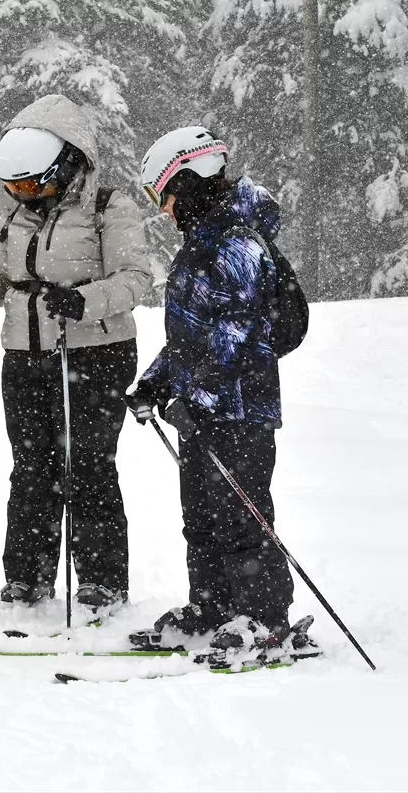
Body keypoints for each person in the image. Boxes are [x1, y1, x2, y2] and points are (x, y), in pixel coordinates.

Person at [0, 94, 152, 610]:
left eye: (32, 184)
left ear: (66, 163)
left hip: (95, 354)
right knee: (32, 467)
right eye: (13, 187)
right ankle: (28, 577)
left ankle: (102, 581)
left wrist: (82, 301)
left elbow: (135, 280)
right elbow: (0, 275)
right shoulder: (16, 216)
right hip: (26, 356)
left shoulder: (109, 208)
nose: (24, 195)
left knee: (89, 465)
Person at [125, 126, 294, 653]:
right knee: (199, 518)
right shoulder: (197, 246)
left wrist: (198, 397)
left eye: (168, 195)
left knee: (241, 517)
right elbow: (190, 337)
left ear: (193, 181)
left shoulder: (239, 243)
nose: (166, 210)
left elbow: (235, 335)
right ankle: (215, 608)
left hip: (241, 411)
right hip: (201, 412)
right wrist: (154, 384)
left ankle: (264, 620)